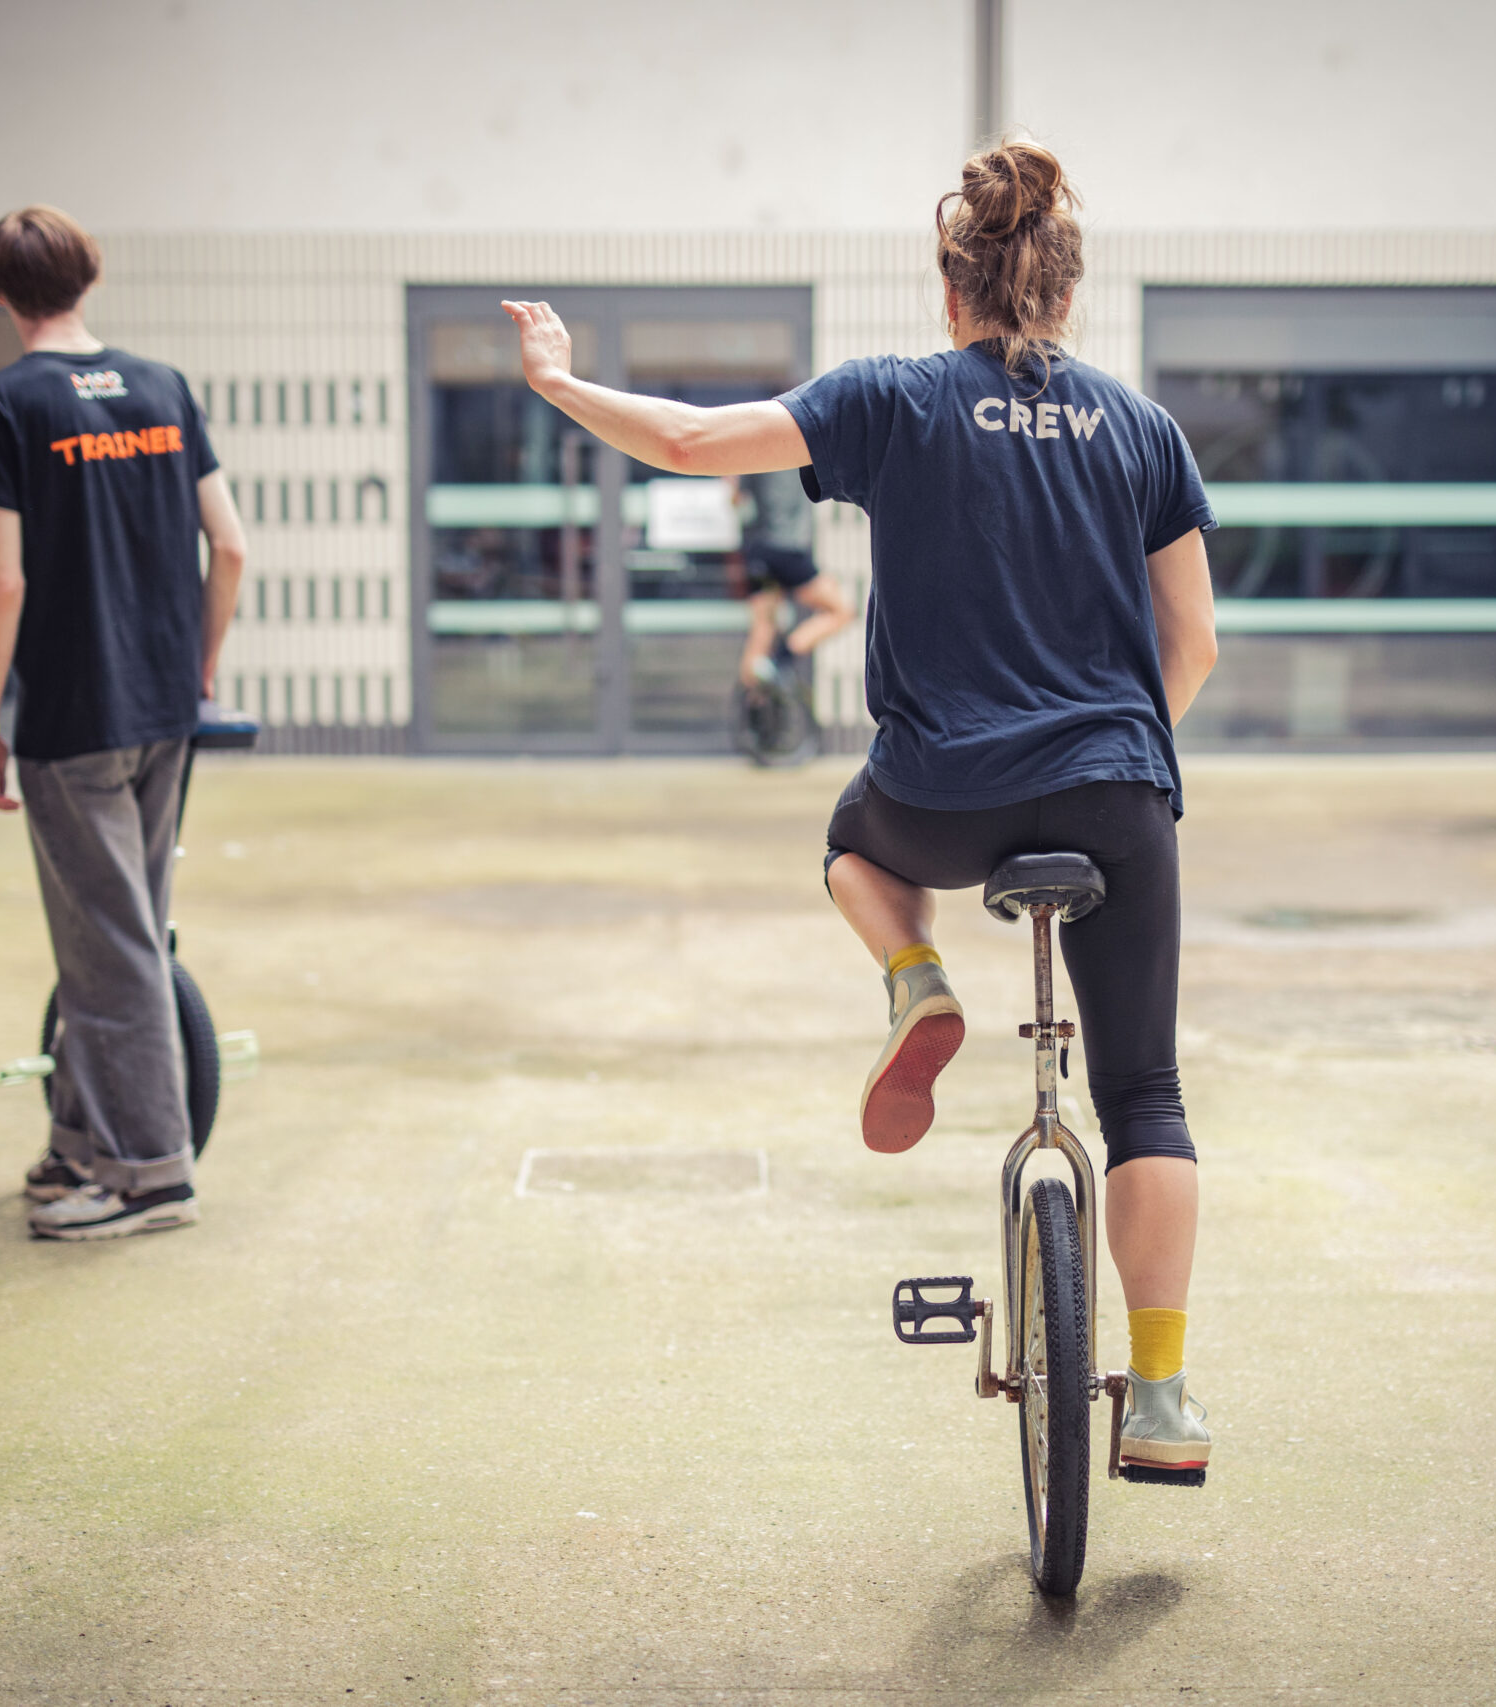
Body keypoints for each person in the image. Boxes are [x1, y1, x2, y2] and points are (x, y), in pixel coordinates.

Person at [500, 140, 1221, 1477]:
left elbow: (687, 440)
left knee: (848, 845)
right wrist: (1120, 755)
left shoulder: (895, 397)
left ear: (951, 295)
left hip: (939, 797)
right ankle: (1165, 1397)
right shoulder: (1143, 428)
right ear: (1065, 294)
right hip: (1117, 791)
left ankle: (917, 976)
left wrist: (554, 379)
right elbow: (1195, 642)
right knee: (1146, 1095)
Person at [0, 205, 249, 1241]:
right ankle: (81, 1143)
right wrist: (200, 664)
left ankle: (150, 1174)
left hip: (74, 714)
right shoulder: (162, 387)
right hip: (168, 704)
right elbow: (234, 548)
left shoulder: (4, 403)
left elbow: (2, 580)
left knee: (110, 943)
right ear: (91, 278)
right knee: (112, 932)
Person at [730, 467, 854, 691]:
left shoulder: (751, 452)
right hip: (788, 549)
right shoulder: (796, 446)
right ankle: (781, 659)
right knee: (841, 610)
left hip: (757, 549)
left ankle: (752, 707)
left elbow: (736, 498)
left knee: (762, 629)